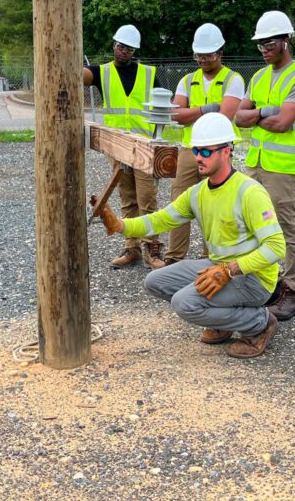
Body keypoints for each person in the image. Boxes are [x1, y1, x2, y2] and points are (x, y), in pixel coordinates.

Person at [91, 113, 284, 358]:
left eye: (206, 152)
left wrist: (230, 270)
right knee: (155, 281)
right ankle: (224, 322)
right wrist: (120, 225)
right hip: (218, 267)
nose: (197, 157)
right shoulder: (199, 192)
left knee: (184, 303)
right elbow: (160, 219)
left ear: (226, 151)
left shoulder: (249, 193)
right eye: (196, 150)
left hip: (254, 279)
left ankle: (260, 323)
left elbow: (277, 247)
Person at [234, 11, 295, 321]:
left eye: (269, 42)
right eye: (260, 44)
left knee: (286, 227)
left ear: (287, 40)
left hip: (284, 166)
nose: (263, 49)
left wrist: (257, 115)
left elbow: (284, 123)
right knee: (257, 225)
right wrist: (265, 113)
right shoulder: (258, 77)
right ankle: (269, 282)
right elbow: (238, 117)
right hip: (257, 163)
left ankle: (293, 289)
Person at [83, 24, 165, 270]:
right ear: (113, 45)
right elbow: (80, 75)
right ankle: (132, 247)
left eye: (128, 48)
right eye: (120, 46)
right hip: (118, 147)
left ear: (134, 51)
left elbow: (163, 107)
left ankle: (152, 246)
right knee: (128, 199)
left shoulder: (149, 74)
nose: (123, 52)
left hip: (143, 147)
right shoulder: (102, 72)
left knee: (147, 199)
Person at [163, 23, 245, 265]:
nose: (202, 59)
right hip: (189, 149)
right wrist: (206, 109)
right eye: (199, 55)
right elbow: (176, 115)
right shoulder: (188, 80)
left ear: (220, 52)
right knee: (179, 203)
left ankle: (213, 257)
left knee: (216, 204)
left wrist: (193, 112)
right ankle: (174, 258)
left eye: (208, 55)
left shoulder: (233, 79)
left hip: (219, 151)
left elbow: (225, 115)